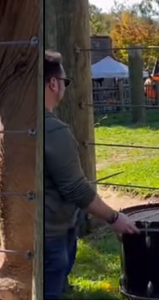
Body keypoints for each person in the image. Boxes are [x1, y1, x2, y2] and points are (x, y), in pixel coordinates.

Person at [44, 49, 139, 300]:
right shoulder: (52, 130)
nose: (64, 86)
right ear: (53, 84)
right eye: (65, 81)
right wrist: (114, 217)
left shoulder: (17, 122)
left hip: (38, 229)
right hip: (50, 234)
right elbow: (75, 188)